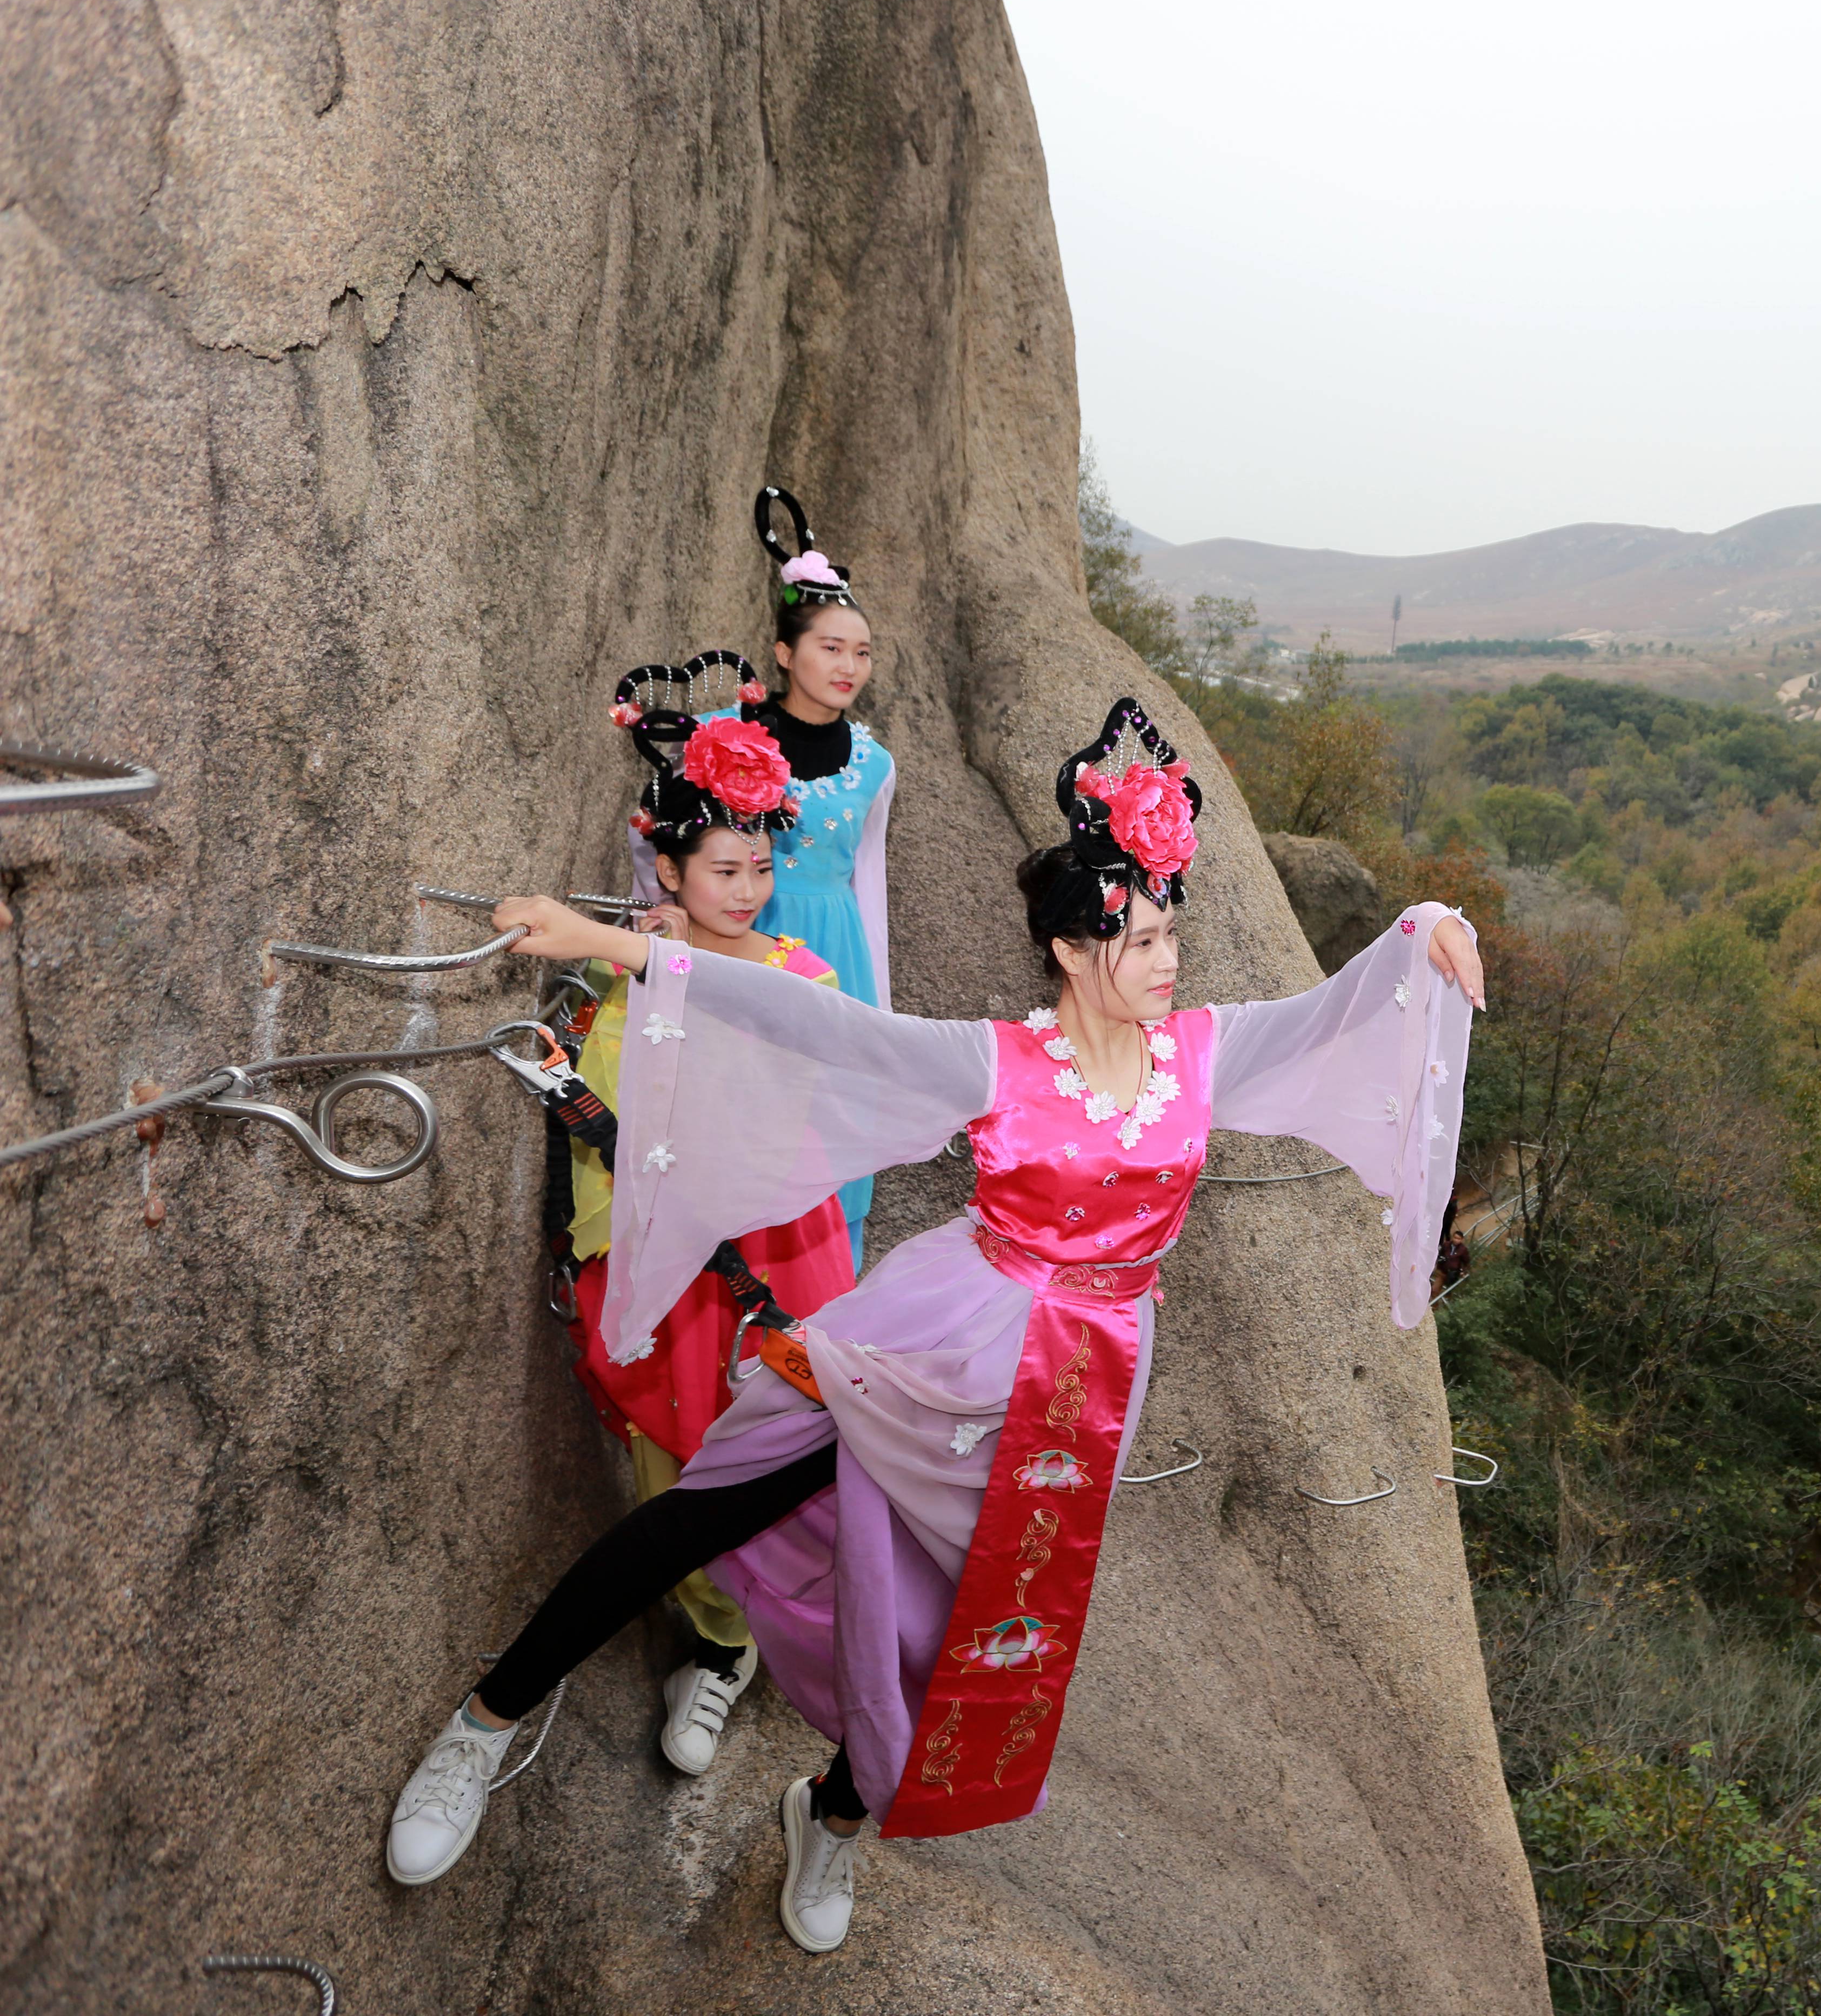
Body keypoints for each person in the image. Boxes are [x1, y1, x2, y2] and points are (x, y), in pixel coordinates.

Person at [384, 697, 1484, 1956]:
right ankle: (484, 1724)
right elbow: (818, 1025)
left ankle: (832, 1819)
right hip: (936, 1336)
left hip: (1077, 1390)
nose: (1170, 962)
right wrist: (608, 942)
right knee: (705, 1509)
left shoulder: (1206, 1053)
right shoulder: (996, 1062)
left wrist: (1431, 930)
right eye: (1141, 940)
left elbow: (1335, 1014)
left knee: (964, 1636)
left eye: (1174, 934)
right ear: (1071, 952)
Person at [557, 653, 859, 1786]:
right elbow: (611, 1130)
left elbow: (819, 1093)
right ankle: (714, 1641)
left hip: (779, 1249)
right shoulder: (632, 988)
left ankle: (761, 1632)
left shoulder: (805, 973)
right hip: (675, 1251)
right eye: (723, 868)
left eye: (761, 866)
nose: (746, 889)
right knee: (677, 1450)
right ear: (670, 870)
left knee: (780, 1443)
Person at [634, 489, 898, 1272]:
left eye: (862, 652)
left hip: (833, 961)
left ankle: (821, 1318)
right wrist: (670, 939)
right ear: (785, 653)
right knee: (731, 1136)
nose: (849, 666)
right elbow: (656, 841)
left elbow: (869, 885)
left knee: (832, 1145)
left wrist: (876, 1007)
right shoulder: (723, 739)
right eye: (831, 648)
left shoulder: (875, 765)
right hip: (737, 951)